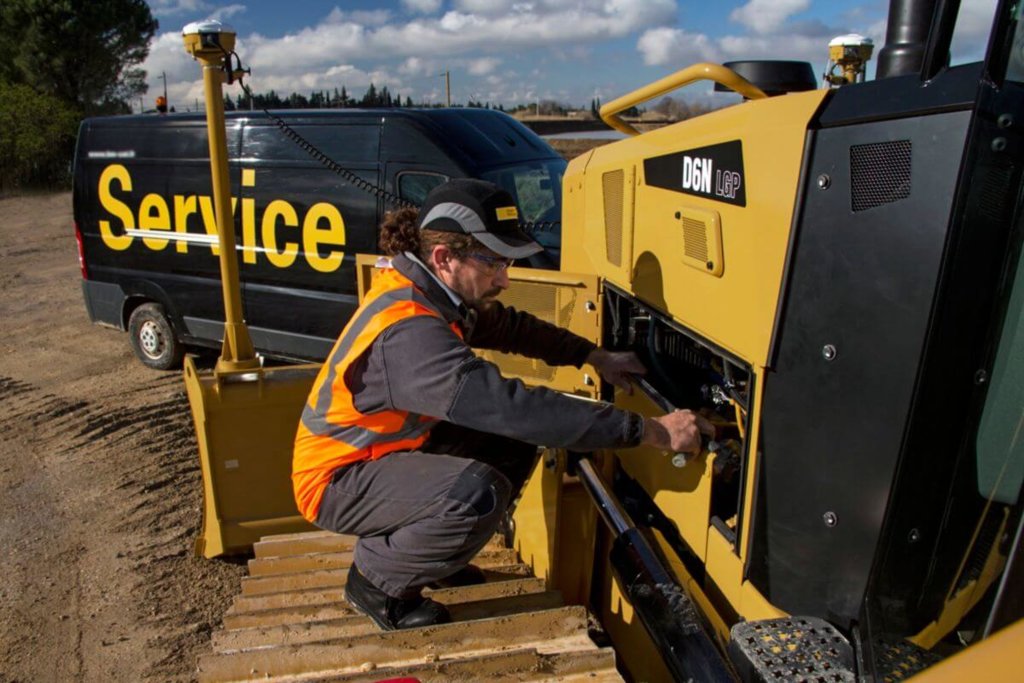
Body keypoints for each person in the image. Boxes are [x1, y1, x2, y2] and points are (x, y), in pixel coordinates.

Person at [291, 178, 708, 631]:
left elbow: (510, 328)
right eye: (493, 262)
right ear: (444, 257)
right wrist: (651, 431)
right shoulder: (411, 333)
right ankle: (376, 581)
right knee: (478, 492)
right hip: (337, 480)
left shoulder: (433, 292)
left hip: (387, 451)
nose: (505, 279)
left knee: (509, 443)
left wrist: (593, 356)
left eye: (506, 263)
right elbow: (515, 407)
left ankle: (434, 558)